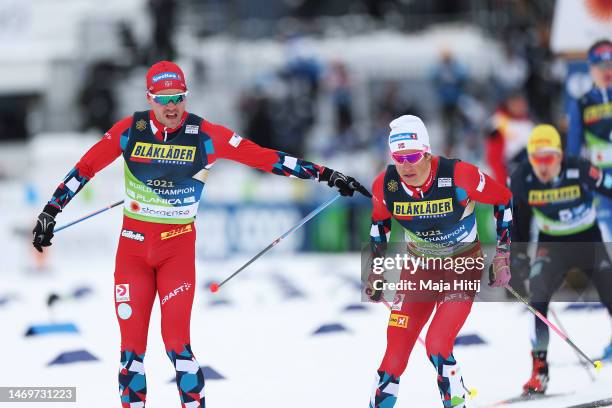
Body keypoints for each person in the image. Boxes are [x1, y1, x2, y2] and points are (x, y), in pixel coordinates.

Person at [31, 61, 371, 408]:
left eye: (178, 98)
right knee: (131, 352)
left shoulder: (206, 136)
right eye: (163, 100)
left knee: (177, 346)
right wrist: (49, 212)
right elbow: (84, 168)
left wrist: (327, 175)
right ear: (150, 99)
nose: (172, 107)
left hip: (175, 253)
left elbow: (266, 159)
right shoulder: (129, 130)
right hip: (132, 253)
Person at [365, 115, 513, 408]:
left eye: (413, 156)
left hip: (461, 267)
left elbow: (503, 199)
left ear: (427, 153)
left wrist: (503, 253)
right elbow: (379, 226)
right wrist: (376, 272)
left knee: (437, 345)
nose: (406, 165)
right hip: (418, 270)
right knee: (394, 354)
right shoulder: (385, 186)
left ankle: (455, 401)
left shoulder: (460, 176)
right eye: (398, 157)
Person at [510, 124, 612, 395]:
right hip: (552, 244)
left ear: (560, 155)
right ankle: (539, 370)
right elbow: (520, 220)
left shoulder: (579, 168)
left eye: (549, 158)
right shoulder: (522, 178)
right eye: (536, 159)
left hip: (587, 239)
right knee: (538, 295)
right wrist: (518, 256)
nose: (543, 166)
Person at [566, 39, 612, 240]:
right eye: (601, 66)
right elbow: (573, 150)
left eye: (611, 64)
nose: (606, 71)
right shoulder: (582, 103)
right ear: (591, 68)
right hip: (600, 178)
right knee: (605, 230)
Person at [484, 90, 534, 184]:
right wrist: (502, 182)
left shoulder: (529, 124)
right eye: (516, 103)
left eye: (522, 103)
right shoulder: (499, 122)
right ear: (509, 103)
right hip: (505, 174)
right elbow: (494, 157)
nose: (520, 107)